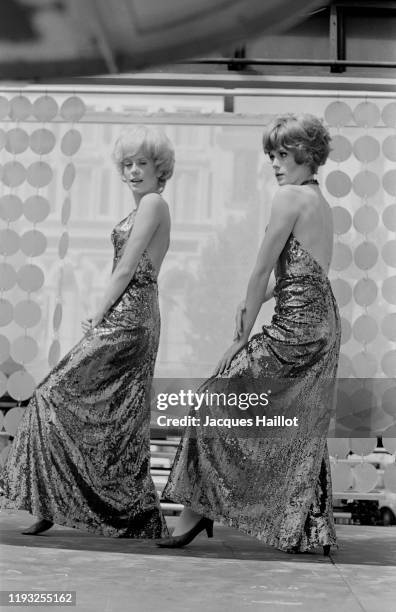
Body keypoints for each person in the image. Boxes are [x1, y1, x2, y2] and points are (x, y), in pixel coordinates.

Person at [158, 113, 340, 555]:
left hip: (296, 330)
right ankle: (301, 527)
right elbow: (306, 272)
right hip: (322, 327)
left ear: (306, 154)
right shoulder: (319, 201)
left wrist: (240, 337)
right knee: (296, 426)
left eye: (282, 154)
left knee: (215, 400)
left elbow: (261, 269)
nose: (274, 164)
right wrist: (270, 298)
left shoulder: (289, 198)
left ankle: (196, 512)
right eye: (270, 156)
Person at [1, 125, 175, 539]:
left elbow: (128, 266)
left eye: (142, 164)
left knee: (52, 394)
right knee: (114, 415)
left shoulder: (153, 203)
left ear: (159, 169)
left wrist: (98, 313)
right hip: (129, 316)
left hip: (130, 320)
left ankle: (63, 503)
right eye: (127, 164)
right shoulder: (142, 206)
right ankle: (71, 504)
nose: (133, 171)